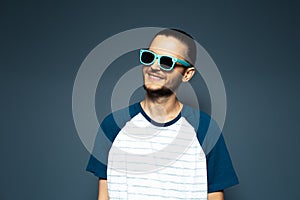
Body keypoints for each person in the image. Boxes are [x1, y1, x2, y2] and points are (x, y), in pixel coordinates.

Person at [86, 28, 239, 200]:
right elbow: (104, 196)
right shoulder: (113, 125)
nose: (154, 67)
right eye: (149, 57)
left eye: (167, 62)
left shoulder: (205, 129)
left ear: (187, 74)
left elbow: (215, 196)